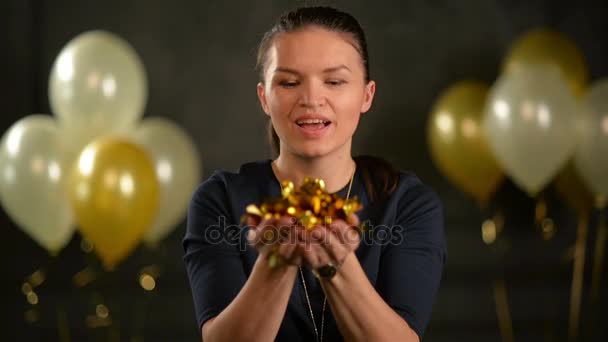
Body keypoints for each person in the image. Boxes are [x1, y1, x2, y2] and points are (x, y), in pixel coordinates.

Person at [183, 6, 446, 342]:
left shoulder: (408, 203)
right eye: (290, 82)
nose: (311, 98)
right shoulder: (219, 200)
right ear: (265, 97)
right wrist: (275, 262)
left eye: (334, 81)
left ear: (367, 95)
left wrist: (336, 262)